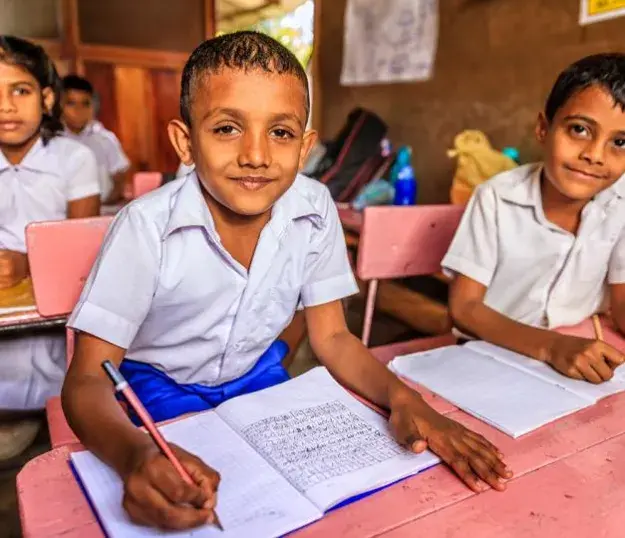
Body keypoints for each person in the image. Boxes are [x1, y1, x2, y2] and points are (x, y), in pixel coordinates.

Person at [62, 32, 510, 531]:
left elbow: (334, 337)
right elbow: (85, 380)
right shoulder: (145, 227)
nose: (257, 155)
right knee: (189, 498)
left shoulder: (315, 209)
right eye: (228, 128)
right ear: (185, 142)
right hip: (157, 383)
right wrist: (133, 456)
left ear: (305, 147)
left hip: (258, 375)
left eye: (281, 133)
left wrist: (406, 399)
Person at [444, 53, 625, 385]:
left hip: (581, 351)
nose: (595, 156)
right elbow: (464, 308)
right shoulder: (496, 199)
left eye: (620, 142)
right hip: (491, 352)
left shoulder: (620, 204)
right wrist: (553, 347)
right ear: (544, 128)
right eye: (580, 130)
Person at [0, 36, 100, 459]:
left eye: (18, 91)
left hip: (55, 314)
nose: (5, 106)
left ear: (44, 97)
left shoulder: (74, 159)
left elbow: (85, 250)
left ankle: (45, 412)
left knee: (62, 387)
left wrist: (29, 262)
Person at [61, 74, 130, 203]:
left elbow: (119, 179)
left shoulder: (105, 139)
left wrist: (104, 205)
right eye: (71, 103)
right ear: (59, 106)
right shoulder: (52, 140)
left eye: (85, 104)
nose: (78, 110)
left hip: (103, 210)